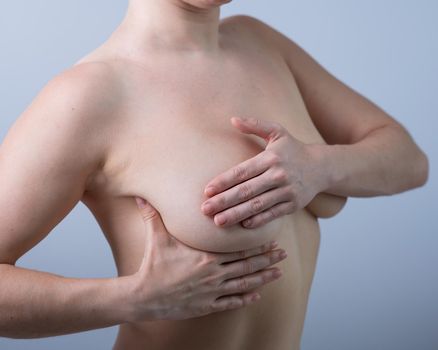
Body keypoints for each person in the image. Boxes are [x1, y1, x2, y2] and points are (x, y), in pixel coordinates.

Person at [0, 1, 429, 349]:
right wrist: (133, 299)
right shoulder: (90, 95)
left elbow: (409, 161)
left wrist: (318, 168)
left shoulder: (261, 45)